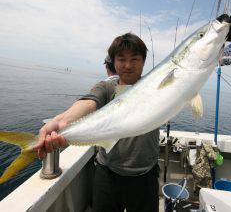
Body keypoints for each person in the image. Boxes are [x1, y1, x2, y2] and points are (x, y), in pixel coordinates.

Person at [34, 32, 160, 212]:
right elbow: (89, 102)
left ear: (144, 61)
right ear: (114, 62)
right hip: (107, 174)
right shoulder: (107, 87)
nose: (128, 65)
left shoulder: (156, 88)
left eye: (135, 59)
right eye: (121, 59)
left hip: (145, 176)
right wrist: (60, 121)